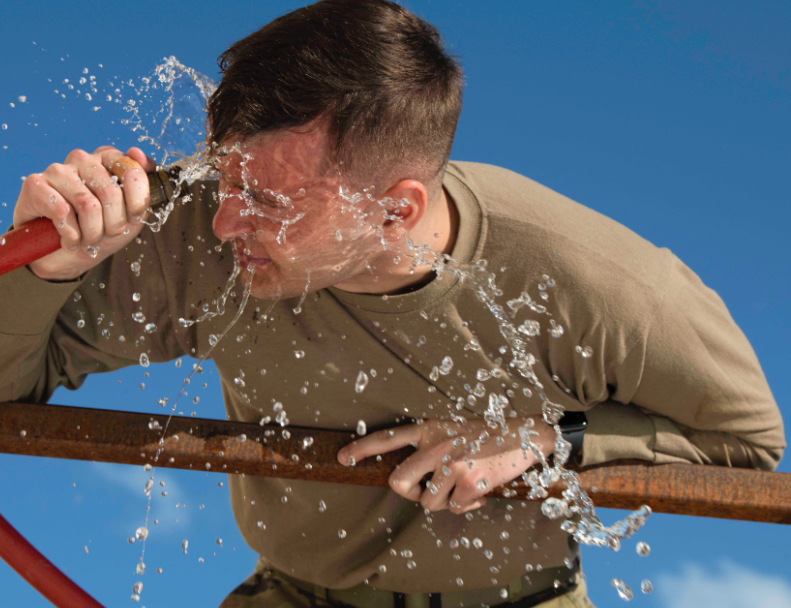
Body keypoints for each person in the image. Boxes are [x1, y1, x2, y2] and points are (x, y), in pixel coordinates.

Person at [0, 1, 784, 606]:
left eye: (269, 200)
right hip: (296, 595)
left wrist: (548, 439)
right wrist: (47, 269)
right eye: (223, 176)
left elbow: (748, 444)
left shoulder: (592, 282)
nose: (225, 221)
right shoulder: (205, 231)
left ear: (393, 211)